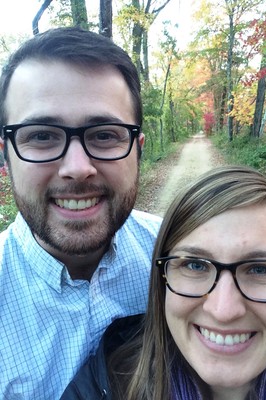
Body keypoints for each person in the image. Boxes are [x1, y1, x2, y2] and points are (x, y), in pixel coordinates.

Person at [0, 27, 161, 399]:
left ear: (137, 150)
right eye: (41, 135)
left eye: (104, 134)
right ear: (6, 156)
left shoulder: (177, 259)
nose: (77, 167)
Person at [61, 165, 266, 400]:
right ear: (161, 282)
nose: (223, 310)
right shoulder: (104, 382)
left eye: (260, 269)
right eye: (195, 265)